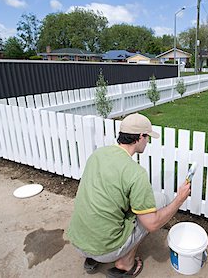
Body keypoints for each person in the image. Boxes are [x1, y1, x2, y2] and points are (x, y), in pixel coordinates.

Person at [67, 113, 191, 278]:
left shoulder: (98, 154)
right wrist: (179, 200)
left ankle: (91, 257)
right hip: (105, 250)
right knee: (160, 200)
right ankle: (125, 264)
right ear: (140, 137)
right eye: (147, 137)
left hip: (77, 241)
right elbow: (152, 224)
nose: (148, 142)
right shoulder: (135, 173)